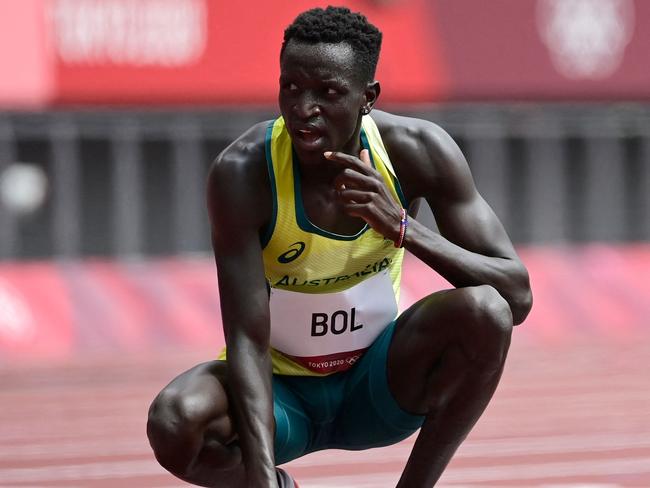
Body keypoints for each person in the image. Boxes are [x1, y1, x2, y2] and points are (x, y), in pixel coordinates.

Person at [147, 6, 532, 488]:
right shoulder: (243, 173)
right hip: (281, 399)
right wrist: (262, 481)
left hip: (378, 388)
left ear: (367, 97)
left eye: (327, 93)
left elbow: (516, 297)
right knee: (174, 420)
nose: (303, 108)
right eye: (290, 87)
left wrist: (402, 229)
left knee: (485, 313)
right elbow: (247, 337)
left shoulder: (417, 150)